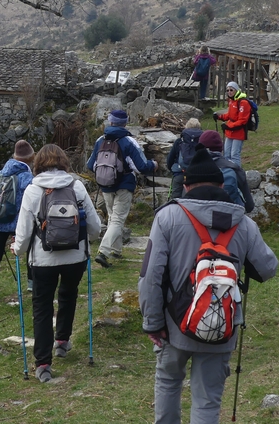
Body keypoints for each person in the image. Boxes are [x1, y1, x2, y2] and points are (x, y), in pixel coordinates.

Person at [138, 150, 278, 424]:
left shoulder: (167, 218)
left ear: (187, 185)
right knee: (207, 400)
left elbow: (150, 276)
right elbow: (267, 268)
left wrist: (153, 323)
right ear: (222, 185)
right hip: (221, 324)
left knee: (168, 381)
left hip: (173, 324)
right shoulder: (245, 224)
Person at [12, 144, 102, 383]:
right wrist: (88, 241)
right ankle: (62, 341)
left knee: (42, 307)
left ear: (38, 164)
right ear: (64, 162)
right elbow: (95, 227)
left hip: (43, 260)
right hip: (75, 257)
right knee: (68, 295)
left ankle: (43, 363)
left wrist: (17, 250)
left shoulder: (33, 190)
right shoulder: (77, 186)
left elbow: (23, 233)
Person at [87, 109, 158, 268]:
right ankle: (103, 252)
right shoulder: (129, 141)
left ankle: (116, 250)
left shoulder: (100, 140)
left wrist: (104, 174)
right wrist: (153, 164)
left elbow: (90, 165)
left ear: (110, 121)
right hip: (124, 185)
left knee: (113, 217)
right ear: (125, 123)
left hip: (105, 185)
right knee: (118, 219)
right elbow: (141, 166)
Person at [0, 140, 35, 304]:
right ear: (31, 158)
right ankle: (32, 283)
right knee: (31, 250)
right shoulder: (27, 177)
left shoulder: (1, 174)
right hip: (19, 222)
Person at [196, 130, 254, 213]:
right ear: (221, 148)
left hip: (199, 217)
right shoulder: (235, 169)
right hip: (230, 217)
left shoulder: (193, 170)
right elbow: (249, 206)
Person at [212, 81, 251, 167]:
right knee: (226, 154)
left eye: (231, 90)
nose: (229, 92)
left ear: (236, 90)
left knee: (234, 155)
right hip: (230, 132)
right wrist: (219, 117)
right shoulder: (232, 101)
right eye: (227, 90)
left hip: (239, 132)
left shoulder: (243, 103)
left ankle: (237, 172)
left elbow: (242, 120)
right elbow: (230, 115)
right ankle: (228, 171)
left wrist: (228, 126)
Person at [166, 118, 203, 200]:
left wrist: (172, 169)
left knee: (175, 199)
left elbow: (170, 159)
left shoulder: (179, 141)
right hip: (196, 175)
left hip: (179, 173)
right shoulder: (202, 141)